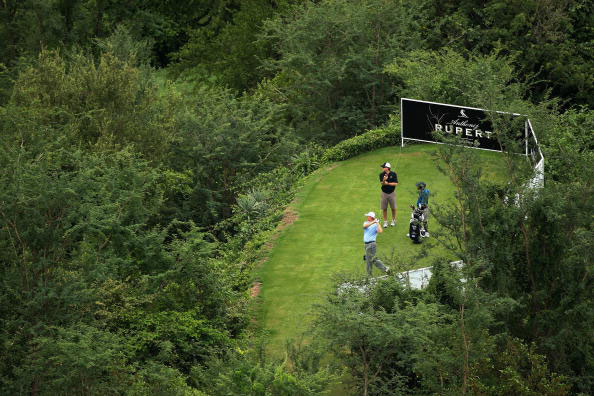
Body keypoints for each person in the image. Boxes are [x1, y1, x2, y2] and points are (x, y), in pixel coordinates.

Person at [363, 211, 390, 276]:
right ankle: (385, 269)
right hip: (366, 244)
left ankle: (368, 275)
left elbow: (380, 231)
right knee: (372, 259)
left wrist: (377, 223)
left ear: (371, 217)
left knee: (369, 260)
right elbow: (364, 226)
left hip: (371, 244)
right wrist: (374, 222)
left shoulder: (376, 225)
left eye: (368, 216)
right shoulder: (366, 223)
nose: (367, 217)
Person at [379, 162, 398, 228]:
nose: (382, 168)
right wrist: (384, 180)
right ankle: (385, 222)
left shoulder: (393, 174)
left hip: (392, 193)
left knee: (393, 208)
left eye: (383, 167)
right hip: (384, 193)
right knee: (384, 208)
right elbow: (382, 183)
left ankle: (393, 220)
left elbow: (395, 184)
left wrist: (388, 183)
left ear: (387, 168)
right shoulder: (381, 174)